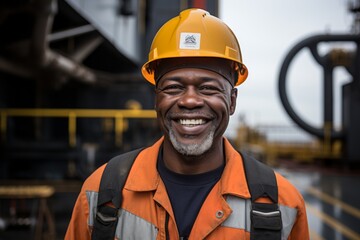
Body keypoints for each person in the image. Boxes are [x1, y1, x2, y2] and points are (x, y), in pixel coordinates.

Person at [65, 8, 309, 240]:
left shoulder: (282, 204)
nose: (190, 100)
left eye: (208, 88)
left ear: (232, 101)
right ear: (156, 100)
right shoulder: (100, 192)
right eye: (173, 87)